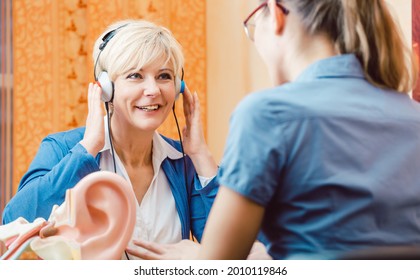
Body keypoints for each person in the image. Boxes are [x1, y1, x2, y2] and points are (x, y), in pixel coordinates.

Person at [133, 0, 420, 260]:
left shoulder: (268, 115)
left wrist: (194, 261)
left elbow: (220, 265)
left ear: (276, 15)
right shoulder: (413, 118)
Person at [2, 19, 219, 259]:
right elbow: (14, 222)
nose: (153, 90)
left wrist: (200, 155)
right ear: (106, 88)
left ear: (178, 86)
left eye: (164, 76)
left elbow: (230, 247)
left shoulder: (183, 161)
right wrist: (88, 150)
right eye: (135, 75)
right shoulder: (62, 149)